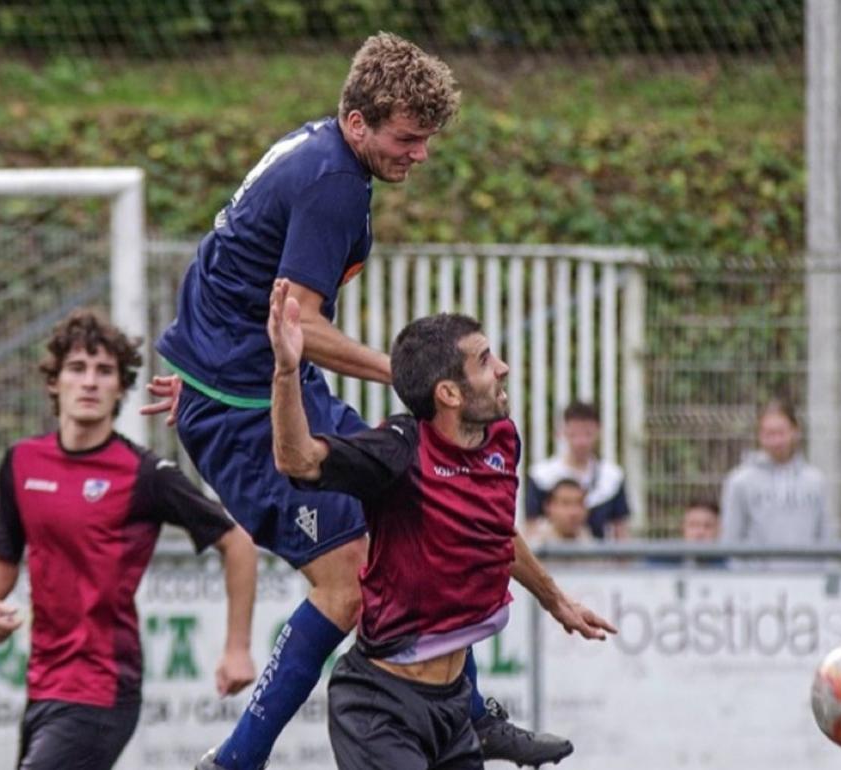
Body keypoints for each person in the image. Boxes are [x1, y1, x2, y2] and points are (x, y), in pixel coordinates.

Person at [146, 32, 568, 770]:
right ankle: (237, 758)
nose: (421, 153)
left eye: (428, 139)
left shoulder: (323, 153)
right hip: (243, 412)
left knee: (413, 515)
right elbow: (301, 322)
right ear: (357, 122)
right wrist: (409, 375)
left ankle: (474, 715)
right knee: (346, 589)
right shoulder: (331, 181)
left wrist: (202, 357)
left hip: (256, 384)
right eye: (408, 138)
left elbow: (233, 269)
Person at [263, 279, 615, 770]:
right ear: (448, 393)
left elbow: (495, 533)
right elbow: (297, 460)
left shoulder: (501, 439)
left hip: (453, 707)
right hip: (381, 707)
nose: (503, 368)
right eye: (486, 360)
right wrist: (286, 371)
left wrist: (556, 601)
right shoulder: (399, 450)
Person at [0, 310, 258, 770]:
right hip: (43, 684)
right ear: (54, 381)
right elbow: (3, 556)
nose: (90, 382)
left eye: (105, 372)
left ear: (121, 388)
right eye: (77, 369)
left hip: (103, 688)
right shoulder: (22, 462)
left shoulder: (143, 474)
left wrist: (237, 647)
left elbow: (236, 541)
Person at [718, 397, 832, 548]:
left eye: (781, 433)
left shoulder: (816, 481)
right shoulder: (740, 482)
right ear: (759, 435)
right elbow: (731, 538)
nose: (776, 441)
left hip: (807, 572)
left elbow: (826, 536)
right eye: (769, 434)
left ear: (795, 432)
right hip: (758, 572)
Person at [526, 402, 631, 540]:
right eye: (574, 434)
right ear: (563, 432)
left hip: (599, 558)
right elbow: (531, 527)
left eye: (588, 434)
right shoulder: (541, 476)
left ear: (598, 431)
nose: (581, 442)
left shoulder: (612, 477)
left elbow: (620, 530)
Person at [529, 479, 594, 546]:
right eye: (566, 503)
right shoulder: (534, 544)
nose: (573, 512)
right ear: (549, 507)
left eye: (579, 503)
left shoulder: (590, 541)